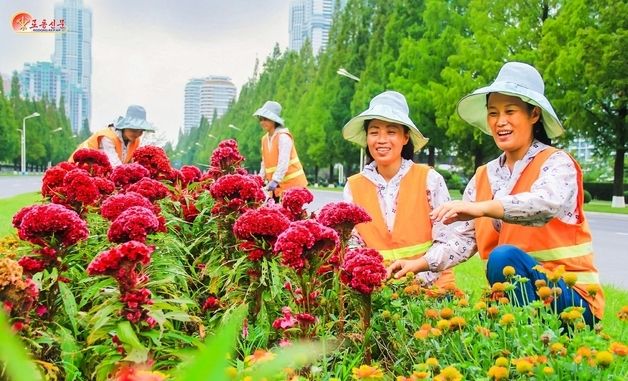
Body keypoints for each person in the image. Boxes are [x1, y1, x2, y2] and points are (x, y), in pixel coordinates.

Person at [387, 62, 604, 325]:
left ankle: (531, 342)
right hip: (515, 296)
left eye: (510, 111)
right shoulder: (483, 177)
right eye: (493, 113)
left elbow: (544, 204)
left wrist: (483, 207)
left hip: (572, 300)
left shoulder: (557, 163)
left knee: (503, 258)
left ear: (534, 114)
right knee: (460, 323)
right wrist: (418, 264)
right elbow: (460, 241)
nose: (500, 122)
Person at [342, 90, 457, 289]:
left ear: (405, 138)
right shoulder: (353, 186)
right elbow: (352, 242)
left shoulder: (429, 179)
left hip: (433, 289)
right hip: (379, 292)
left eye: (391, 132)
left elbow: (448, 240)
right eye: (374, 131)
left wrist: (411, 283)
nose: (381, 139)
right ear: (367, 138)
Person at [254, 100, 307, 200]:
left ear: (274, 120)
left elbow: (283, 161)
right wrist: (259, 179)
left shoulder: (283, 137)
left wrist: (275, 180)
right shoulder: (264, 139)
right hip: (277, 187)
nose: (262, 122)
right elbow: (264, 163)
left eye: (266, 119)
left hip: (293, 186)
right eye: (261, 119)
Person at [70, 105, 155, 166]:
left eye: (141, 131)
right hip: (79, 168)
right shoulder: (107, 137)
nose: (137, 134)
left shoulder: (135, 141)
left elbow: (131, 164)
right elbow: (114, 165)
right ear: (124, 126)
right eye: (134, 130)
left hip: (98, 174)